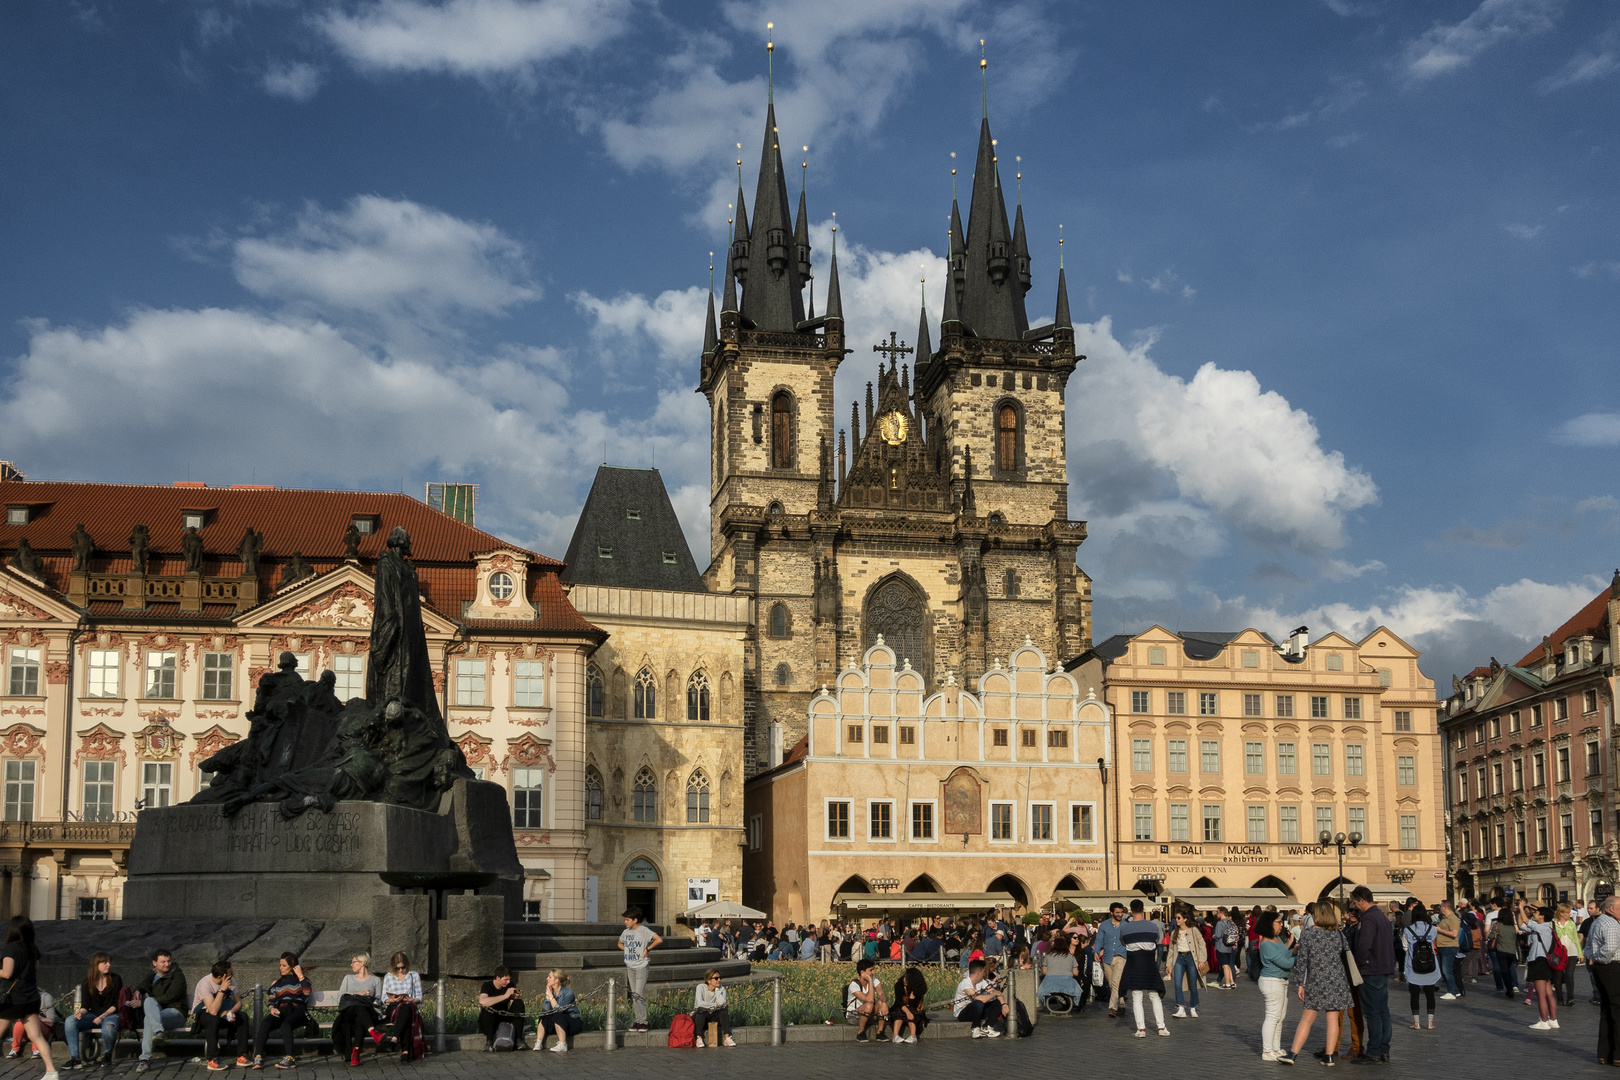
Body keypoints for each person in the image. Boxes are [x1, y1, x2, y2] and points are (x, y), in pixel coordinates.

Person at [1280, 901, 1353, 1066]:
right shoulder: (1339, 935)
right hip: (1337, 980)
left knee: (1307, 1019)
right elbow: (1346, 955)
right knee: (1333, 1019)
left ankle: (1293, 1054)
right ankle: (1329, 1056)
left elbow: (1303, 961)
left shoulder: (1308, 934)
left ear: (1317, 915)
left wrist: (1300, 984)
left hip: (1316, 980)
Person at [0, 917, 53, 1080]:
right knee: (37, 1037)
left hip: (13, 1000)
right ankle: (51, 1071)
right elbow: (35, 968)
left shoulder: (10, 949)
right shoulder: (32, 948)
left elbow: (7, 973)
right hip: (31, 998)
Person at [1348, 885, 1395, 1064]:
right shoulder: (1382, 917)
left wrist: (1358, 964)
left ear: (1361, 900)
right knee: (1383, 1011)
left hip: (1370, 970)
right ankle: (1384, 1049)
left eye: (1354, 902)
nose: (1354, 906)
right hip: (1383, 968)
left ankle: (1374, 1051)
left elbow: (1364, 946)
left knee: (1372, 1013)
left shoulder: (1368, 919)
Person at [131, 949, 187, 1073]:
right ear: (154, 963)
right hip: (158, 1016)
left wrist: (142, 1002)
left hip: (176, 1013)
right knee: (149, 1007)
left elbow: (171, 996)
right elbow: (143, 984)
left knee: (148, 1011)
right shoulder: (152, 975)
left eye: (169, 961)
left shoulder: (177, 975)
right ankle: (159, 1033)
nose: (167, 964)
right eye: (163, 962)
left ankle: (145, 1060)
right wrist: (138, 990)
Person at [251, 953, 310, 1070]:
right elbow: (271, 1000)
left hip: (297, 1010)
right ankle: (258, 1057)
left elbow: (307, 993)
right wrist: (271, 1008)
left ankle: (290, 1058)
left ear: (292, 966)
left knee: (286, 1025)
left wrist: (300, 975)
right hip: (281, 1010)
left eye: (284, 965)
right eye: (280, 965)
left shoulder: (300, 980)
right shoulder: (276, 983)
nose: (280, 968)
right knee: (266, 1023)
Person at [1119, 900, 1167, 1038]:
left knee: (1137, 997)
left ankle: (1141, 1030)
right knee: (1154, 996)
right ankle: (1161, 1027)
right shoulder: (1152, 927)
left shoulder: (1125, 928)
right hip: (1149, 963)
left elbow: (1123, 942)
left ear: (1130, 911)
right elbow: (1156, 941)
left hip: (1134, 963)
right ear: (1144, 910)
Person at [64, 953, 121, 1069]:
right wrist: (81, 1012)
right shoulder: (87, 982)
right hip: (92, 1016)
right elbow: (86, 1005)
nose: (108, 965)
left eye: (109, 962)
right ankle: (75, 1058)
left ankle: (107, 1055)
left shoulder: (115, 979)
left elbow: (116, 1005)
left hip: (110, 1014)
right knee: (70, 1021)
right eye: (105, 963)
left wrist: (103, 1016)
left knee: (109, 1027)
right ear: (96, 965)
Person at [193, 962, 250, 1071]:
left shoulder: (231, 981)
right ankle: (212, 1059)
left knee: (242, 1016)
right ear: (221, 977)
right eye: (229, 974)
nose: (232, 975)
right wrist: (222, 990)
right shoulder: (205, 984)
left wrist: (231, 1012)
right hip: (204, 1015)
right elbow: (213, 1011)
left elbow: (238, 1003)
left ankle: (242, 1055)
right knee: (213, 1020)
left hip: (224, 1013)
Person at [332, 953, 385, 1066]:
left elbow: (379, 1002)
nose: (351, 965)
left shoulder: (375, 980)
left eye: (353, 962)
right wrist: (357, 995)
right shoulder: (348, 978)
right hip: (348, 1012)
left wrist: (371, 997)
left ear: (362, 963)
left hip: (366, 1013)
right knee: (357, 1006)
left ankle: (355, 1055)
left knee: (360, 1018)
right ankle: (373, 1033)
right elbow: (339, 998)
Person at [1257, 912, 1296, 1061]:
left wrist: (1294, 951)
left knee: (1280, 1017)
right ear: (1269, 924)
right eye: (1278, 922)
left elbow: (1285, 955)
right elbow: (1285, 963)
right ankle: (1267, 1051)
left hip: (1281, 981)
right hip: (1272, 982)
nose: (1281, 925)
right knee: (1272, 1016)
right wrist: (1302, 957)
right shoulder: (1266, 943)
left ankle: (1276, 1048)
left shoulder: (1277, 938)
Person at [617, 907, 661, 1034]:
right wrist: (626, 950)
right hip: (630, 965)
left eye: (627, 920)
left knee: (638, 994)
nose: (625, 922)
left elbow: (658, 939)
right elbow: (619, 943)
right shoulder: (626, 932)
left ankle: (643, 1022)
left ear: (635, 920)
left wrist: (647, 949)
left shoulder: (644, 931)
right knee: (634, 994)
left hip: (641, 965)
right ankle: (638, 1020)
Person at [1590, 894, 1620, 1065]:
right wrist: (1601, 958)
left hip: (1601, 968)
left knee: (1606, 1010)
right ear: (1611, 908)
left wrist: (1593, 958)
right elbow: (1609, 948)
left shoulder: (1597, 922)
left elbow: (1588, 945)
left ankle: (1604, 1053)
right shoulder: (1611, 924)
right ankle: (1617, 1055)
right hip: (1613, 966)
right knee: (1617, 1010)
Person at [1402, 903, 1441, 1031]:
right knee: (1430, 994)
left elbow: (1405, 947)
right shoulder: (1433, 929)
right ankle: (1430, 1022)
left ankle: (1416, 1023)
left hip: (1413, 965)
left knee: (1414, 994)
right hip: (1430, 964)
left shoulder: (1408, 930)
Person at [1520, 902, 1559, 1031]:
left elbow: (1525, 920)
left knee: (1541, 994)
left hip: (1538, 961)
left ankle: (1543, 1021)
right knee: (1548, 993)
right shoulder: (1545, 928)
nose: (1533, 914)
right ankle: (1553, 1020)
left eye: (1536, 913)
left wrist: (1521, 908)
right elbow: (1522, 924)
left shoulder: (1542, 927)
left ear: (1542, 916)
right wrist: (1519, 912)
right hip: (1544, 962)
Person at [381, 952, 424, 1063]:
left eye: (403, 968)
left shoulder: (413, 975)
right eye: (397, 968)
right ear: (393, 967)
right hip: (394, 1007)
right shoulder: (388, 977)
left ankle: (395, 1038)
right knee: (406, 1012)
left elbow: (419, 996)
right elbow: (383, 998)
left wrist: (412, 1000)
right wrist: (393, 999)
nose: (400, 971)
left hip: (409, 1006)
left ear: (407, 965)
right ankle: (405, 1051)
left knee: (407, 1007)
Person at [1167, 909, 1207, 1019]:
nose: (1176, 920)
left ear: (1185, 919)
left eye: (1178, 918)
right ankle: (1181, 1008)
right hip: (1179, 958)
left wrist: (1202, 960)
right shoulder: (1174, 933)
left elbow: (1202, 944)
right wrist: (1169, 965)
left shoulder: (1193, 930)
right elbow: (1171, 949)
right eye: (1176, 918)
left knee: (1192, 984)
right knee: (1177, 984)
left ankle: (1193, 1007)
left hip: (1191, 958)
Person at [952, 959, 1003, 1038]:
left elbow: (994, 991)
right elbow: (981, 999)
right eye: (983, 972)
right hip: (963, 1013)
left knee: (997, 1003)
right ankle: (975, 1028)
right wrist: (995, 993)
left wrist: (1004, 1004)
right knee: (978, 1003)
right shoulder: (965, 984)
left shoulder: (981, 981)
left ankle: (987, 1027)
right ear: (979, 973)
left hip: (978, 1010)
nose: (984, 974)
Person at [476, 968, 524, 1051]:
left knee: (519, 1003)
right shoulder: (487, 986)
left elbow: (513, 1006)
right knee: (489, 1008)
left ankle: (519, 1039)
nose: (508, 982)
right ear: (498, 978)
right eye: (506, 979)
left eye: (509, 979)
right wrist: (505, 996)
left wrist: (515, 998)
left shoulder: (509, 985)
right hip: (491, 1018)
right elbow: (483, 1001)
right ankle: (489, 1042)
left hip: (504, 1017)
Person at [1094, 902, 1128, 1018]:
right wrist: (1096, 951)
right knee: (1112, 983)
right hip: (1107, 957)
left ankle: (1112, 1008)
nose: (1120, 914)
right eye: (1117, 912)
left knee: (1116, 982)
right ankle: (1122, 1002)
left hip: (1121, 956)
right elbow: (1099, 940)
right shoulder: (1104, 925)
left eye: (1121, 912)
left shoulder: (1126, 925)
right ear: (1111, 912)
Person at [535, 970, 582, 1053]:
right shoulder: (551, 992)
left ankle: (562, 1044)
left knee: (558, 1014)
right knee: (544, 1016)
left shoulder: (568, 993)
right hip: (559, 1023)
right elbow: (546, 1010)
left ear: (556, 980)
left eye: (550, 977)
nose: (547, 979)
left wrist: (550, 997)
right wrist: (548, 996)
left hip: (572, 1022)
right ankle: (539, 1042)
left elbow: (559, 1010)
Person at [846, 958, 889, 1041]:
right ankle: (860, 1033)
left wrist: (884, 1003)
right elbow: (869, 1000)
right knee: (869, 1005)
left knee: (881, 1003)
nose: (873, 972)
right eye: (871, 970)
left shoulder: (875, 980)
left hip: (869, 1014)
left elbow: (882, 994)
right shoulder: (854, 985)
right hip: (854, 1016)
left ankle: (880, 1033)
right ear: (862, 972)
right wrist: (869, 981)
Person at [1036, 931, 1082, 1010]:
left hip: (1050, 984)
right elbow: (1076, 973)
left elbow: (1044, 972)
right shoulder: (1070, 956)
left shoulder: (1048, 956)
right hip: (1067, 984)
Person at [690, 969, 735, 1048]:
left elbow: (721, 1003)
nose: (719, 980)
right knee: (701, 1011)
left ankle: (727, 1037)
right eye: (716, 978)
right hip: (700, 1017)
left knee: (723, 1010)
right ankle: (699, 1037)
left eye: (719, 978)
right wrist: (715, 1005)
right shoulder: (700, 987)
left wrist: (717, 991)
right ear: (709, 981)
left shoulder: (722, 989)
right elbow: (700, 1003)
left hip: (713, 1016)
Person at [888, 965, 928, 1044]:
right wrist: (907, 1011)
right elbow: (898, 1002)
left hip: (914, 1012)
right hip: (901, 1009)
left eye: (907, 978)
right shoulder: (899, 985)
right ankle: (895, 1036)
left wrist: (912, 994)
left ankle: (913, 1036)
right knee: (899, 1011)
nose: (904, 980)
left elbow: (915, 1005)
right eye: (904, 977)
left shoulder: (918, 989)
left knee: (911, 1010)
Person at [1490, 898, 1520, 997]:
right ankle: (1513, 985)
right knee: (1510, 968)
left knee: (1504, 971)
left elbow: (1490, 936)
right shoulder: (1512, 926)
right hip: (1512, 951)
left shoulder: (1497, 925)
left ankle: (1509, 989)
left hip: (1501, 950)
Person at [1554, 904, 1582, 1008]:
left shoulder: (1571, 923)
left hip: (1571, 951)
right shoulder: (1553, 923)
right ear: (1561, 913)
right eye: (1568, 912)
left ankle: (1570, 998)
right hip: (1559, 953)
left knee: (1569, 975)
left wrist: (1580, 952)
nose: (1570, 914)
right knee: (1558, 976)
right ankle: (1559, 998)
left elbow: (1575, 937)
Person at [1435, 901, 1462, 1000]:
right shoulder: (1444, 918)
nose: (1439, 908)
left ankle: (1451, 992)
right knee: (1444, 970)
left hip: (1449, 946)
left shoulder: (1453, 919)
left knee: (1447, 970)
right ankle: (1455, 990)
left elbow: (1454, 934)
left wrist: (1439, 930)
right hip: (1442, 946)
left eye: (1440, 906)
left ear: (1445, 907)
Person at [1214, 907, 1240, 989]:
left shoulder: (1220, 923)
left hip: (1221, 946)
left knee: (1224, 966)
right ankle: (1232, 982)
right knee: (1228, 965)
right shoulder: (1230, 923)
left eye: (1217, 912)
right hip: (1229, 946)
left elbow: (1218, 935)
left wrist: (1213, 936)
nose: (1217, 914)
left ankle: (1227, 983)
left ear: (1221, 913)